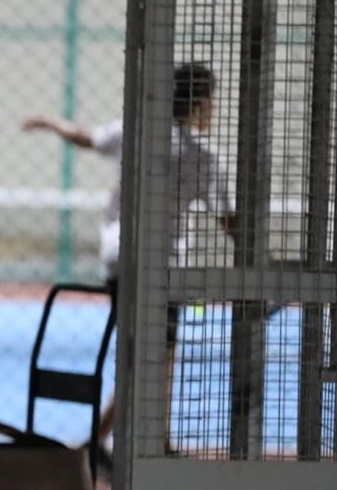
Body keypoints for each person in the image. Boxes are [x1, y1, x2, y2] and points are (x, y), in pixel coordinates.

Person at [21, 61, 236, 464]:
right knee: (155, 359)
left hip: (120, 257)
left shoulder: (131, 133)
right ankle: (105, 443)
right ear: (201, 102)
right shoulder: (203, 159)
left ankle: (130, 440)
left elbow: (84, 137)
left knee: (145, 355)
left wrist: (50, 120)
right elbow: (228, 220)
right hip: (163, 267)